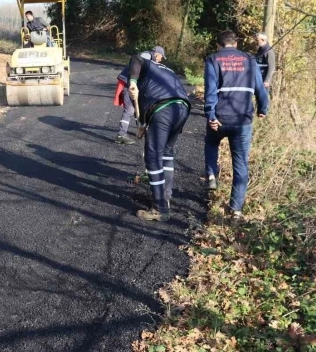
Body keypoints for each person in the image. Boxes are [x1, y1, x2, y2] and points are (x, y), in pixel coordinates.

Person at [204, 30, 269, 218]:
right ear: (236, 44)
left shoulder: (213, 59)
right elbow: (260, 88)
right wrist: (263, 108)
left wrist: (210, 114)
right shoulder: (250, 60)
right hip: (242, 119)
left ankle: (211, 175)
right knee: (240, 165)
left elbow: (210, 90)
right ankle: (236, 210)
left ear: (218, 45)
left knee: (211, 142)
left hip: (220, 117)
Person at [127, 48, 191, 222]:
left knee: (153, 156)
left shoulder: (146, 64)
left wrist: (132, 81)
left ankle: (159, 208)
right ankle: (166, 197)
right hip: (182, 107)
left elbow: (136, 59)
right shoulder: (166, 70)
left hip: (164, 108)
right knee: (167, 152)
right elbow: (142, 106)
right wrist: (142, 124)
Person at [114, 46, 166, 144]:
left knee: (138, 108)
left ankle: (140, 129)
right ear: (157, 54)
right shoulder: (146, 56)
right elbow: (137, 68)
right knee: (129, 109)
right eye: (161, 57)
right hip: (128, 84)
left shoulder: (150, 60)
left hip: (134, 85)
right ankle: (121, 135)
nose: (161, 60)